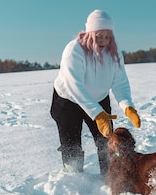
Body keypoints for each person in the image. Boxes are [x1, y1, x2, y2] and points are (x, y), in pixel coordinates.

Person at [50, 10, 141, 176]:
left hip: (99, 99)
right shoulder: (74, 50)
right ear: (90, 33)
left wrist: (127, 106)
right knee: (71, 144)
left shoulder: (114, 53)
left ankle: (110, 176)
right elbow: (75, 86)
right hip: (68, 101)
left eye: (108, 37)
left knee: (106, 141)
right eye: (99, 36)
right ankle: (74, 177)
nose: (104, 41)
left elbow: (120, 82)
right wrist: (98, 115)